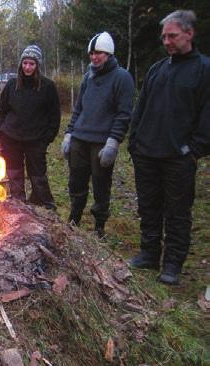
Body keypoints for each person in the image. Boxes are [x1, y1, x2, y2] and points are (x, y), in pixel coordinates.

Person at [128, 10, 209, 285]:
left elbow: (207, 116)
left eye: (172, 36)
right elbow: (141, 106)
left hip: (178, 156)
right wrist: (134, 140)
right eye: (164, 37)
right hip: (147, 153)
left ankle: (173, 263)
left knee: (177, 212)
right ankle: (149, 254)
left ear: (189, 33)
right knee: (149, 207)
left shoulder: (204, 70)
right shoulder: (158, 68)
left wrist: (194, 149)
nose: (167, 41)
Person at [61, 32, 135, 238]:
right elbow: (78, 109)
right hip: (79, 139)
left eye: (99, 53)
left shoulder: (122, 77)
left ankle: (99, 226)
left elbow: (124, 114)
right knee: (76, 182)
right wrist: (69, 134)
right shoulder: (88, 77)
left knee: (101, 186)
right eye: (92, 53)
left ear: (109, 54)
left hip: (101, 142)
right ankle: (74, 219)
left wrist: (113, 142)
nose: (94, 57)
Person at [0, 45, 60, 210]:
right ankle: (19, 206)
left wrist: (46, 138)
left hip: (36, 140)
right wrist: (1, 132)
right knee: (14, 174)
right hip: (11, 138)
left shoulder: (47, 87)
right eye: (25, 63)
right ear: (21, 64)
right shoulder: (11, 85)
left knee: (38, 176)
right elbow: (1, 110)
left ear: (37, 65)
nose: (28, 67)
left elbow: (54, 116)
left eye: (32, 64)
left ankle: (45, 208)